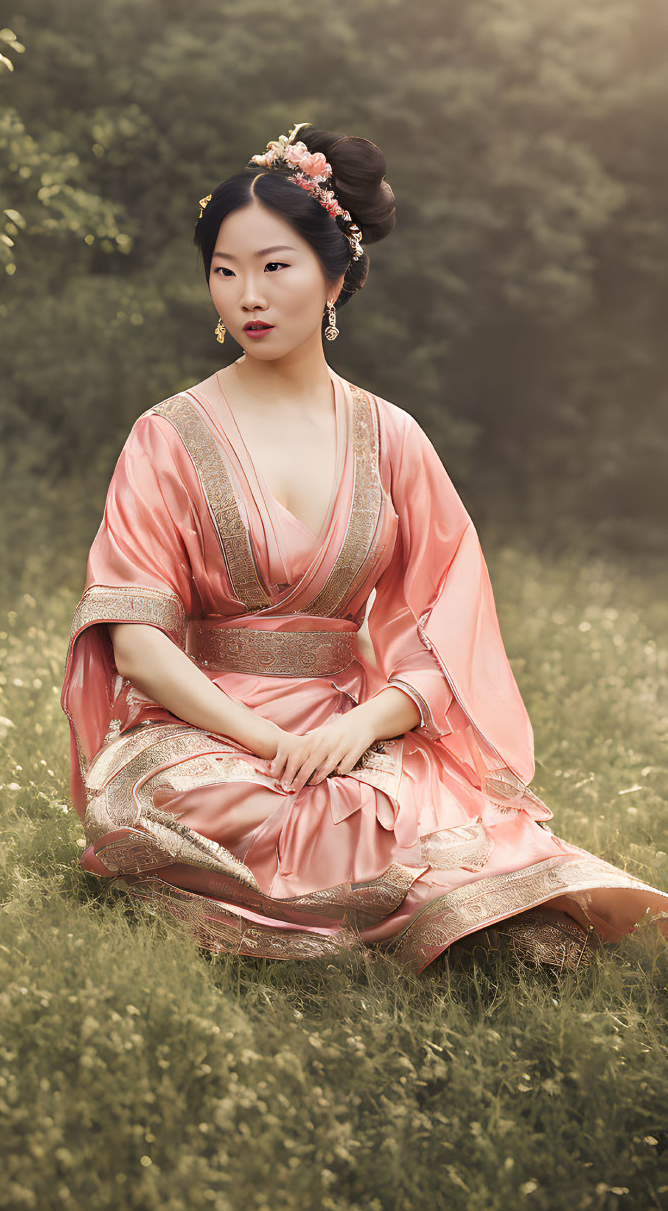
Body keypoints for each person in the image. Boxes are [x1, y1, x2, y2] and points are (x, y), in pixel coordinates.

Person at [59, 122, 668, 973]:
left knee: (387, 803)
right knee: (228, 804)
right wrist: (268, 744)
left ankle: (471, 924)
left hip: (349, 718)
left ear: (334, 276)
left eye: (275, 267)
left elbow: (445, 625)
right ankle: (451, 928)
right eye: (224, 271)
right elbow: (138, 643)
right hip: (203, 723)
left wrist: (361, 725)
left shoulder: (393, 437)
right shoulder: (166, 436)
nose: (248, 296)